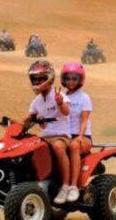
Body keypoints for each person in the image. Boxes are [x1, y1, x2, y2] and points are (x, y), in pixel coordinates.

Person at [22, 60, 71, 204]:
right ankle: (40, 180)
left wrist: (60, 102)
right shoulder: (36, 101)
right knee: (30, 148)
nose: (37, 81)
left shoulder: (58, 95)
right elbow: (28, 117)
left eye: (41, 78)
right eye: (35, 79)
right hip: (44, 137)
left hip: (60, 135)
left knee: (58, 147)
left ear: (49, 78)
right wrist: (14, 123)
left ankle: (66, 186)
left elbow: (66, 111)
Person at [61, 61, 92, 202]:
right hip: (65, 135)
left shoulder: (84, 98)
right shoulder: (61, 97)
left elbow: (84, 120)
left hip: (83, 136)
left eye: (74, 78)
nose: (71, 81)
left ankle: (73, 186)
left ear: (80, 80)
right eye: (67, 78)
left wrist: (80, 136)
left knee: (74, 146)